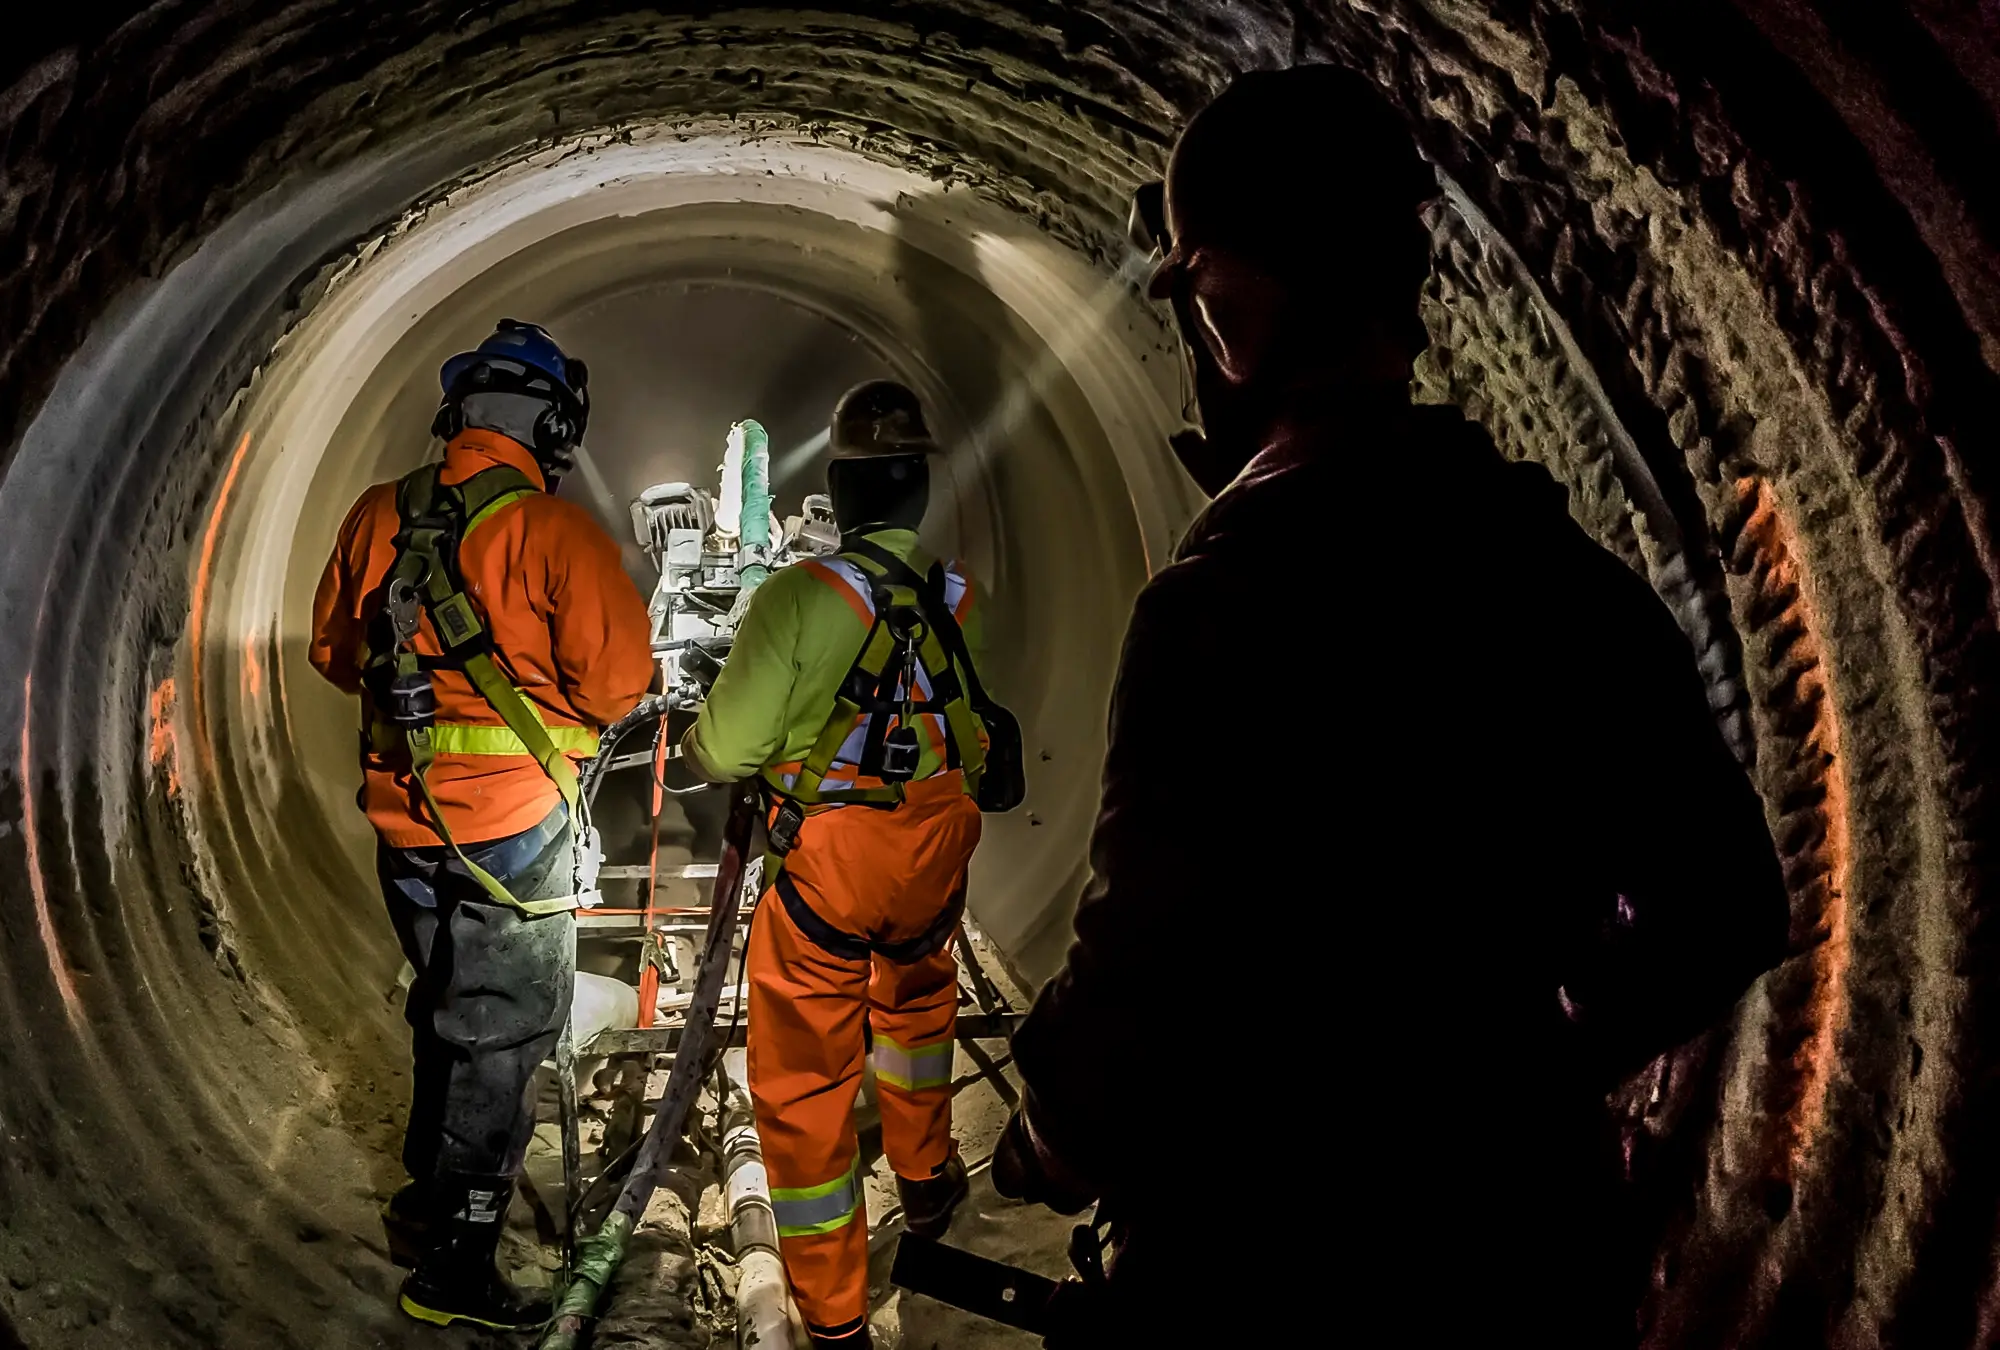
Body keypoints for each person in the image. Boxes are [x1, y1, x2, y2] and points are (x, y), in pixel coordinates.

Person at [993, 66, 1789, 1346]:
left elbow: (1148, 951)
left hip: (1270, 1262)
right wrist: (1524, 1069)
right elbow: (1730, 900)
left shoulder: (1218, 600)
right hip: (1523, 1251)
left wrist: (1050, 1137)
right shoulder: (1553, 569)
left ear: (1228, 299)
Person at [308, 318, 653, 1329]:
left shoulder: (379, 515)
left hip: (403, 821)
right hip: (514, 830)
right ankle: (457, 1265)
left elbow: (337, 655)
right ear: (552, 427)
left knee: (443, 1003)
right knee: (503, 1038)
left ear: (457, 415)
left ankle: (425, 1198)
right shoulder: (556, 534)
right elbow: (623, 683)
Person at [683, 381, 1007, 1350]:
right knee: (914, 1013)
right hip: (933, 863)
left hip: (831, 875)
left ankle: (830, 1315)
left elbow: (722, 752)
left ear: (842, 489)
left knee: (805, 1084)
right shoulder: (958, 597)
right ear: (918, 494)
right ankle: (926, 1176)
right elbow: (970, 738)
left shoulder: (796, 600)